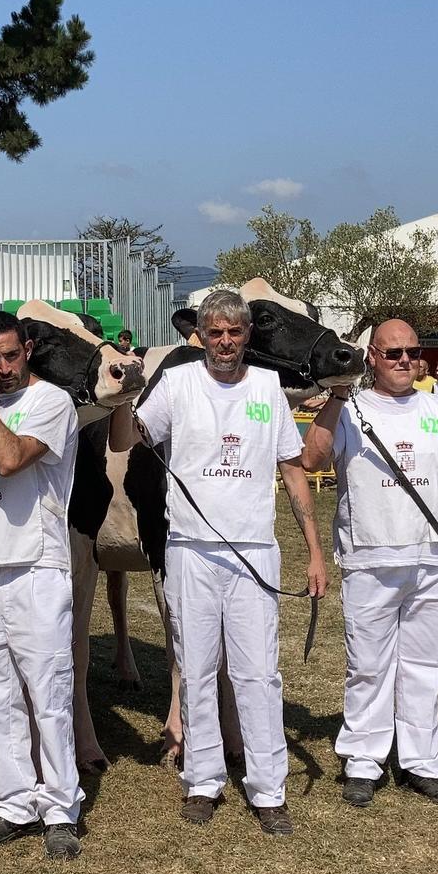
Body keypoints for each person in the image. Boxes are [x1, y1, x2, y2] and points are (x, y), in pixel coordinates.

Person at [109, 287, 328, 835]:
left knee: (258, 673)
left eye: (235, 332)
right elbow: (126, 439)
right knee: (197, 668)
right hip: (189, 550)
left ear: (246, 335)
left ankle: (267, 789)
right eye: (215, 333)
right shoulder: (178, 383)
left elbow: (292, 469)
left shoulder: (268, 387)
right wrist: (121, 399)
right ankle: (202, 781)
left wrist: (314, 551)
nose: (225, 342)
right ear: (200, 336)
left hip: (254, 550)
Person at [298, 319, 438, 808]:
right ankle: (363, 761)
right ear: (372, 358)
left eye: (412, 352)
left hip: (431, 560)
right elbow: (312, 460)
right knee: (368, 666)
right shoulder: (349, 409)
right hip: (370, 558)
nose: (404, 360)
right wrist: (337, 397)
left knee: (426, 666)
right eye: (392, 353)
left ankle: (421, 762)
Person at [0, 310, 83, 861]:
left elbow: (8, 459)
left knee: (47, 693)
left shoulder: (52, 402)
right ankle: (12, 802)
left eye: (10, 356)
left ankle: (60, 808)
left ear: (27, 349)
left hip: (37, 564)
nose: (2, 369)